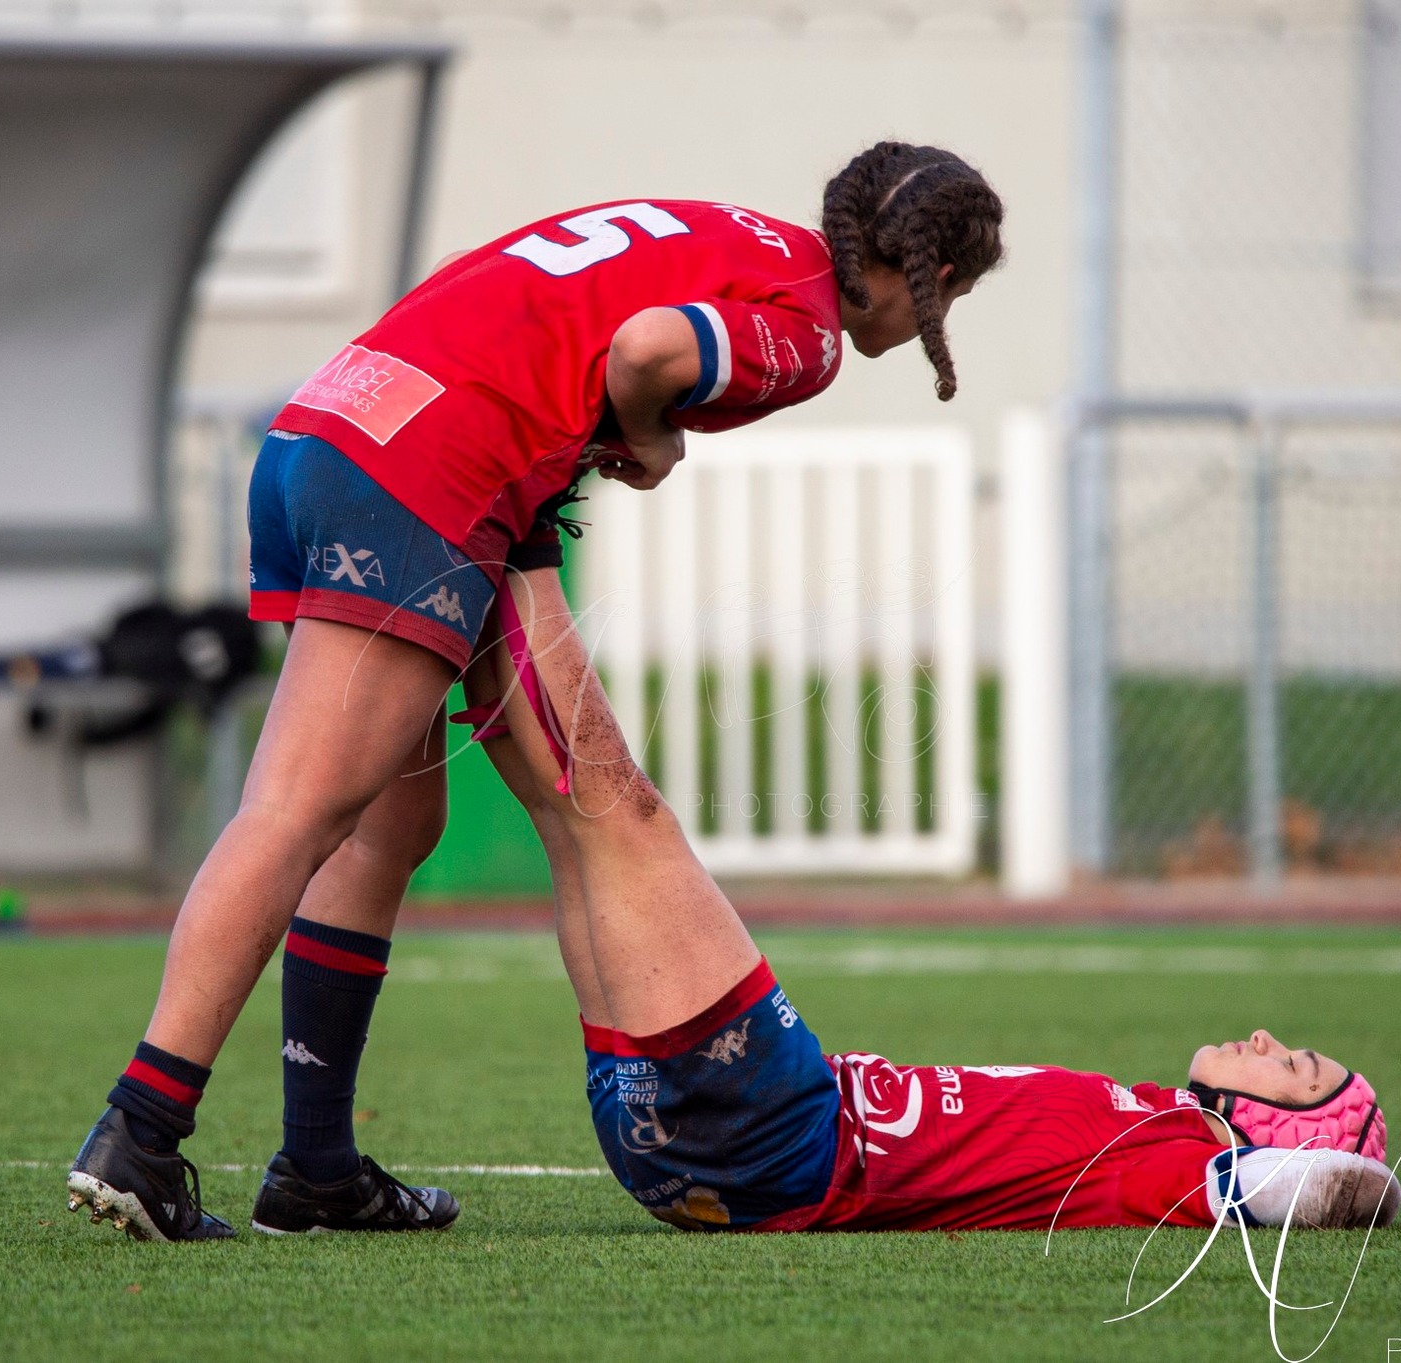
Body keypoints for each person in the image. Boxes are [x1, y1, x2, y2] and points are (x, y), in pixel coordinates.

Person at [65, 141, 1007, 1242]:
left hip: (331, 423)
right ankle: (142, 1127)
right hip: (420, 471)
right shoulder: (804, 332)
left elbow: (524, 283)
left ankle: (315, 1166)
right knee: (297, 810)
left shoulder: (734, 229)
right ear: (931, 278)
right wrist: (650, 438)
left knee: (389, 823)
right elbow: (648, 349)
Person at [453, 565, 1401, 1237]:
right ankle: (489, 546)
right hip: (709, 1148)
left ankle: (518, 525)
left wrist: (1373, 1176)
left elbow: (1324, 1184)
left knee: (618, 804)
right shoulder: (1154, 1121)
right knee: (568, 813)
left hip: (778, 1132)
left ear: (1286, 1125)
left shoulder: (1177, 1163)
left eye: (1301, 1070)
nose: (1274, 1042)